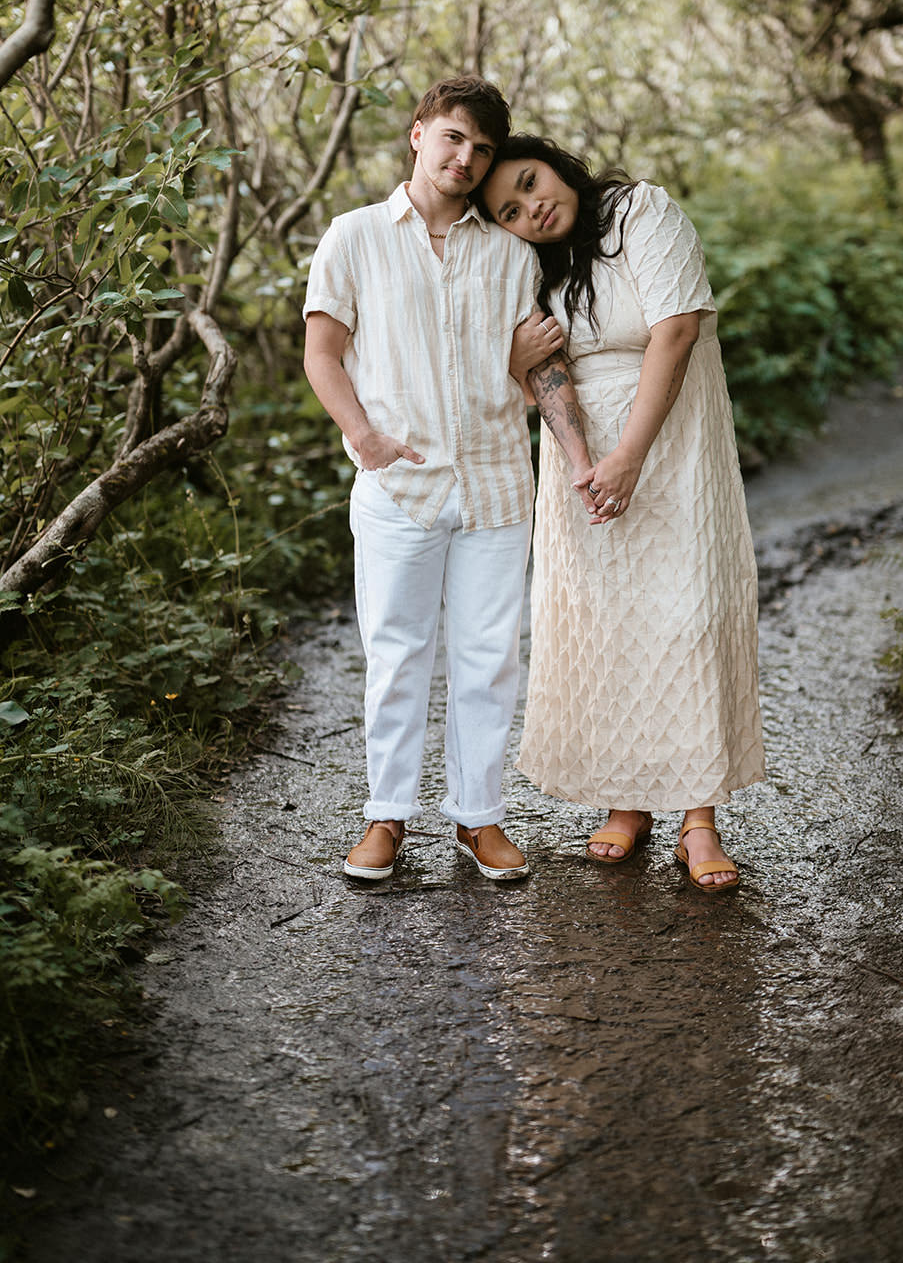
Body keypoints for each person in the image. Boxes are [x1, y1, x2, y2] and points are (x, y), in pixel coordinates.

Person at [303, 81, 594, 884]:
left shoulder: (509, 252)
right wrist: (361, 437)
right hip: (399, 485)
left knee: (488, 657)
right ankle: (385, 818)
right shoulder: (354, 236)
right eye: (454, 139)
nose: (465, 159)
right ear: (419, 134)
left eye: (483, 150)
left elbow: (537, 368)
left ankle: (478, 818)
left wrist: (577, 460)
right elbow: (322, 354)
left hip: (497, 484)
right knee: (396, 655)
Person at [478, 136, 764, 892]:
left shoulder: (640, 209)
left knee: (687, 613)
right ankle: (625, 800)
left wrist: (630, 455)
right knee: (604, 620)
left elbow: (676, 329)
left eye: (531, 183)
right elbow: (540, 363)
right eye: (509, 210)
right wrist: (581, 463)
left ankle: (697, 819)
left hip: (673, 444)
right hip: (582, 464)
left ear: (557, 165)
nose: (531, 208)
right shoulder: (530, 267)